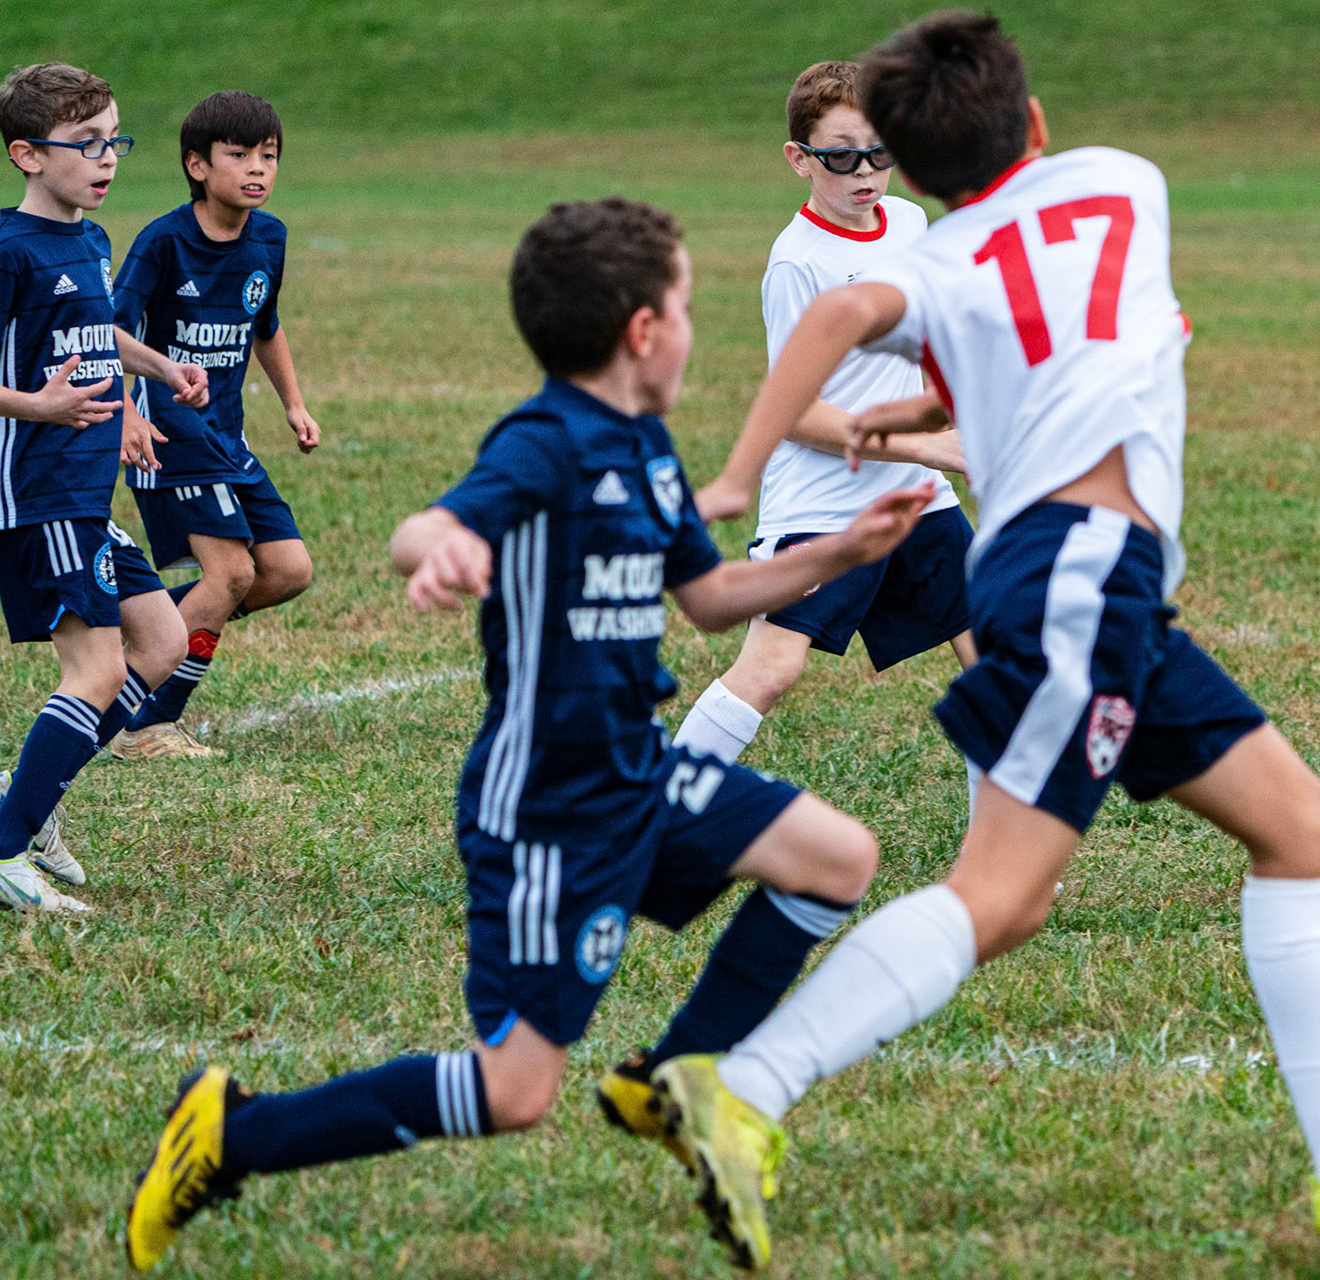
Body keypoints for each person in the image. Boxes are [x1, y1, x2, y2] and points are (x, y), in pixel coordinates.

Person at [657, 13, 1320, 1269]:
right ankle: (743, 1088)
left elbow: (851, 311)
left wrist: (743, 468)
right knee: (1003, 896)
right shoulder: (1130, 181)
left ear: (905, 158)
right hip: (1075, 573)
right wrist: (894, 425)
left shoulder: (942, 262)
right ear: (1039, 126)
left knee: (1297, 821)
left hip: (1087, 578)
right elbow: (1037, 338)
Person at [123, 197, 935, 1271]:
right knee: (516, 1090)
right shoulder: (544, 439)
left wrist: (842, 548)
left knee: (837, 857)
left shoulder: (644, 448)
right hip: (549, 805)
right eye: (688, 306)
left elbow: (712, 593)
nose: (697, 327)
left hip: (636, 769)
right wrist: (442, 548)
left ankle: (678, 1074)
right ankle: (235, 1130)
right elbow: (436, 520)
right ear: (645, 330)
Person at [672, 60, 973, 768]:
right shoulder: (797, 262)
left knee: (997, 665)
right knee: (772, 671)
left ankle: (1008, 866)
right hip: (824, 502)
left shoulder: (909, 221)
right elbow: (794, 411)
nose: (865, 173)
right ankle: (649, 819)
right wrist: (927, 447)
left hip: (918, 500)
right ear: (799, 161)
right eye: (841, 157)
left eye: (882, 153)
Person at [0, 63, 195, 910]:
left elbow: (94, 330)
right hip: (36, 494)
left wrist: (156, 366)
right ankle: (6, 845)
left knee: (163, 646)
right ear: (26, 156)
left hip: (84, 495)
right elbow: (38, 381)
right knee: (97, 668)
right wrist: (36, 405)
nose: (106, 158)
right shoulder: (8, 249)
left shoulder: (91, 239)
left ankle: (26, 799)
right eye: (85, 144)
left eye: (114, 140)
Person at [110, 90, 317, 760]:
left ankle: (148, 626)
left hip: (229, 434)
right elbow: (110, 332)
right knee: (227, 575)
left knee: (286, 571)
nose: (258, 168)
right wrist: (130, 411)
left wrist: (293, 402)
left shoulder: (270, 237)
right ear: (198, 166)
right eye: (240, 155)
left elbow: (266, 325)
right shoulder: (164, 241)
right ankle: (143, 725)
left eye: (270, 155)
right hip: (172, 431)